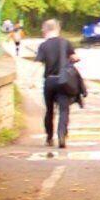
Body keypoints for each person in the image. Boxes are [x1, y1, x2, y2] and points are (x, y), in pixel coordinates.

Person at [34, 18, 84, 152]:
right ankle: (62, 135)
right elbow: (75, 57)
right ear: (58, 29)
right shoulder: (66, 43)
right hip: (63, 81)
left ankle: (49, 137)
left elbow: (39, 64)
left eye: (43, 29)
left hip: (49, 81)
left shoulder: (43, 46)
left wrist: (31, 81)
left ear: (46, 29)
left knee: (49, 110)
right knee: (64, 110)